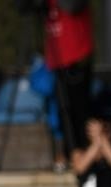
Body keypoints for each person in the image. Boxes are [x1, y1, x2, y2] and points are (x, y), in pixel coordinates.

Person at [38, 0, 94, 163]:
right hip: (57, 59)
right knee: (63, 109)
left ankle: (83, 151)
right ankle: (70, 150)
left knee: (79, 107)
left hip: (77, 56)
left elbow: (73, 6)